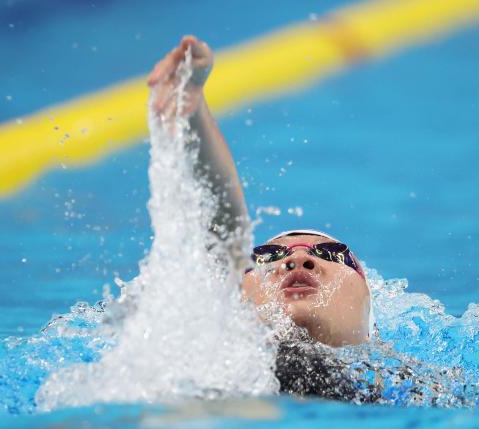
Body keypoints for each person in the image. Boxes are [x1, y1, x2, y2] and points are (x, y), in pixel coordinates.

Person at [148, 36, 373, 350]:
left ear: (368, 309)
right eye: (267, 258)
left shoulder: (426, 391)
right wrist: (193, 108)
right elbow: (224, 232)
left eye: (330, 253)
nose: (298, 258)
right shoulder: (211, 374)